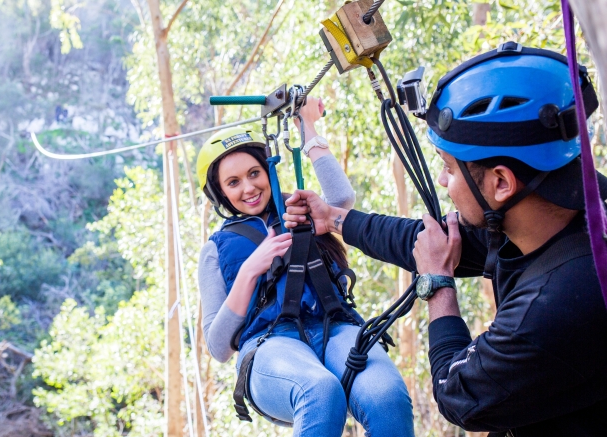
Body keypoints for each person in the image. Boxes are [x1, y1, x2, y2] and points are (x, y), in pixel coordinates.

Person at [283, 43, 607, 436]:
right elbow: (429, 240)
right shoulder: (558, 214)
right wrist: (334, 218)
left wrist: (438, 285)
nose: (442, 182)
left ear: (501, 182)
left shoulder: (552, 306)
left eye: (448, 168)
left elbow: (459, 396)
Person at [197, 97, 414, 437]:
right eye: (234, 182)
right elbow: (218, 347)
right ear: (221, 193)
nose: (249, 187)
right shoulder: (216, 249)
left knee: (385, 398)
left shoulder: (299, 210)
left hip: (334, 327)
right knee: (319, 392)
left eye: (254, 173)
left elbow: (341, 199)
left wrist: (307, 127)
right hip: (269, 344)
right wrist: (251, 269)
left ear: (268, 171)